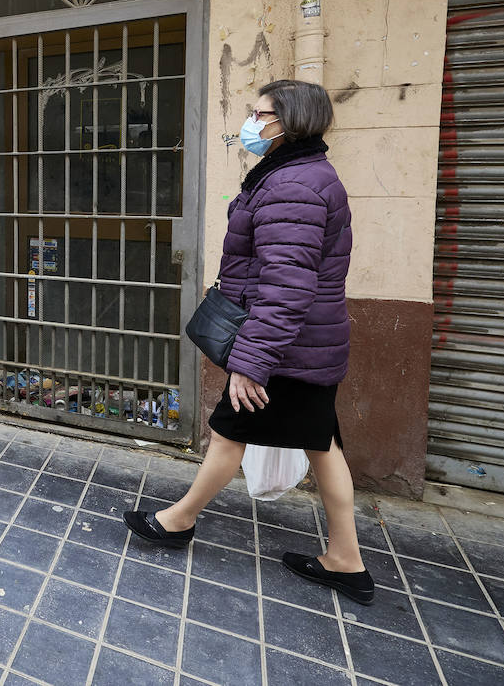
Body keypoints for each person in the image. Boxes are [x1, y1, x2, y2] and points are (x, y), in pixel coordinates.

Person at [122, 78, 373, 605]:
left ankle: (178, 520)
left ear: (289, 122)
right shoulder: (299, 175)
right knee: (323, 444)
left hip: (285, 348)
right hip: (306, 346)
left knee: (230, 430)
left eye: (260, 115)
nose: (250, 124)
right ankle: (346, 559)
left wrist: (252, 362)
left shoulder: (293, 186)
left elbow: (286, 286)